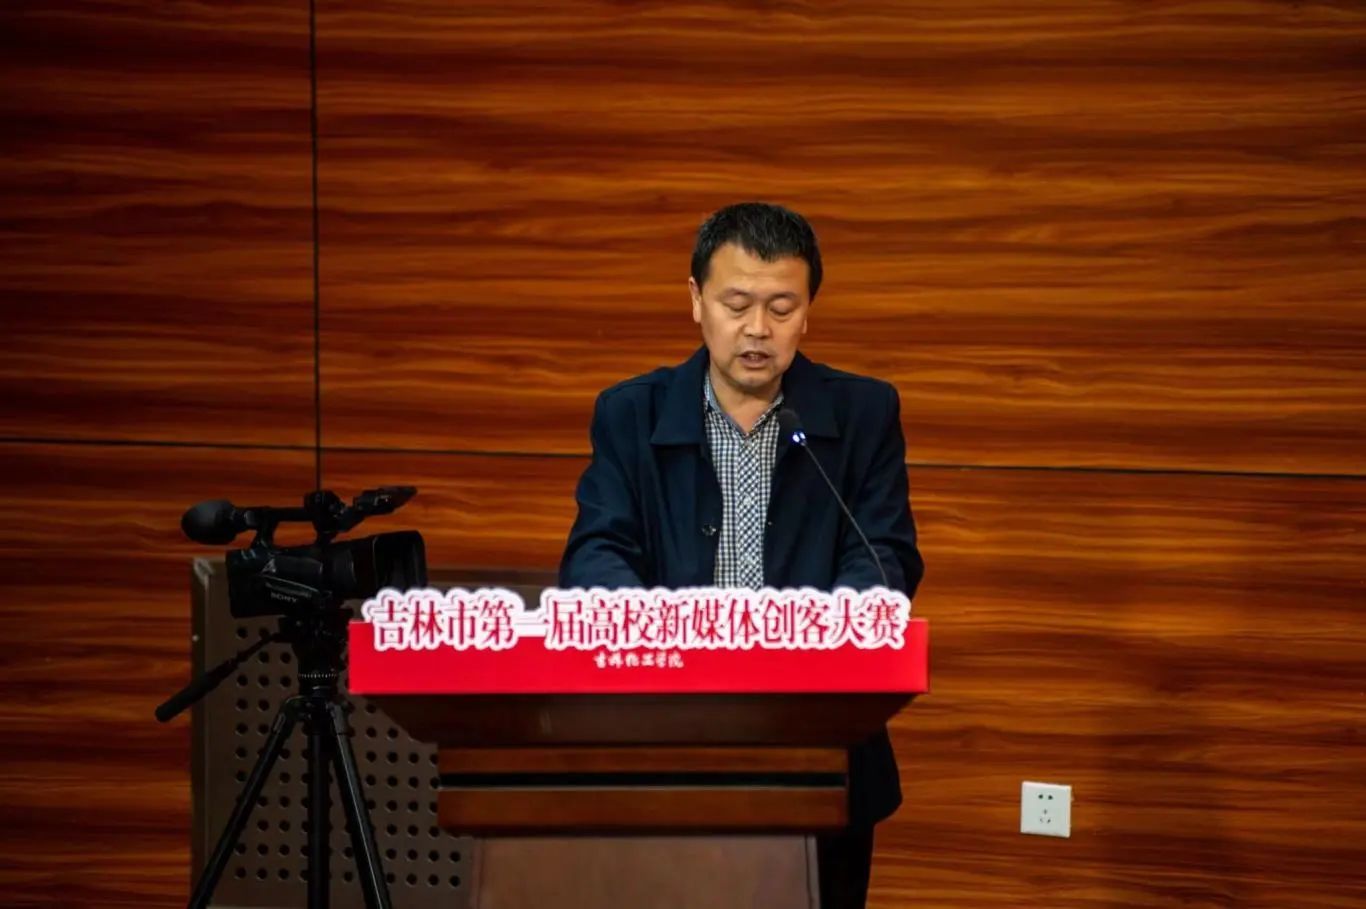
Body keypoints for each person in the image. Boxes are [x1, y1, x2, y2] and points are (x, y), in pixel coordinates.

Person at [559, 201, 925, 909]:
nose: (758, 329)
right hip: (667, 741)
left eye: (782, 308)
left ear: (808, 312)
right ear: (696, 300)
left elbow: (883, 555)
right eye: (737, 305)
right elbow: (597, 552)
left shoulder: (863, 413)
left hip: (821, 747)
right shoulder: (631, 413)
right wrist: (663, 641)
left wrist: (825, 638)